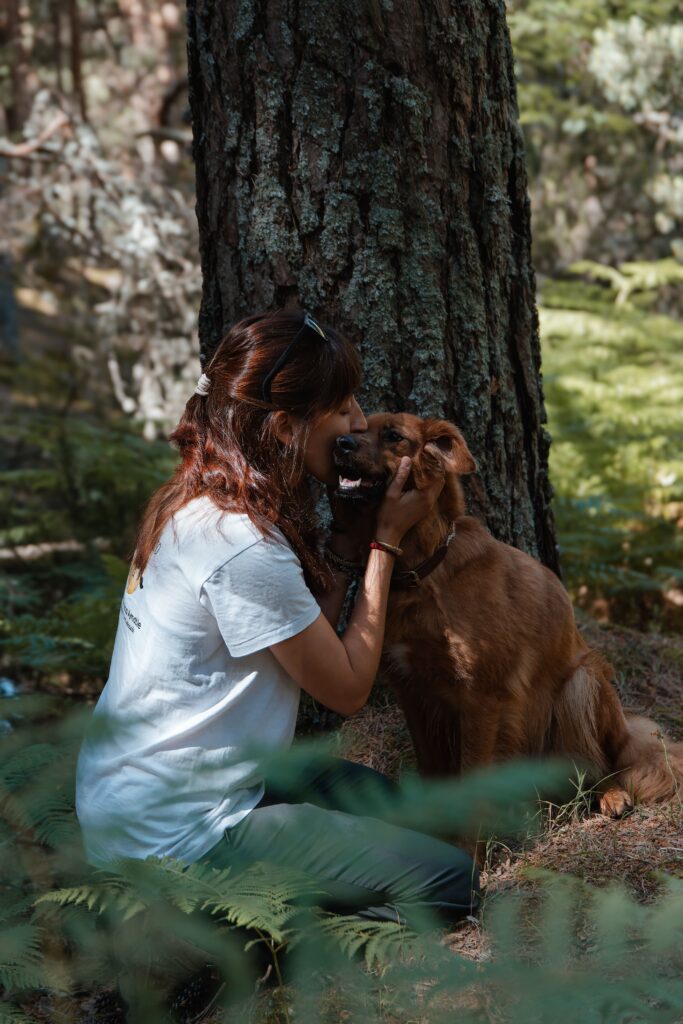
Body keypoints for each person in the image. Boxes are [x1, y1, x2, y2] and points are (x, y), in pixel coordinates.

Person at [75, 308, 479, 936]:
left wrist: (345, 551)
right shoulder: (239, 544)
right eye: (342, 407)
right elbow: (344, 689)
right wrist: (385, 541)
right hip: (183, 832)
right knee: (450, 882)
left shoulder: (196, 498)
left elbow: (295, 639)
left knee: (414, 813)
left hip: (167, 787)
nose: (357, 423)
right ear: (288, 427)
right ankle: (238, 928)